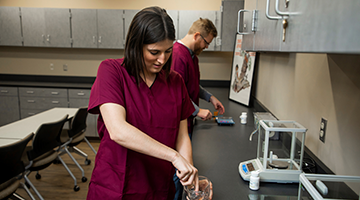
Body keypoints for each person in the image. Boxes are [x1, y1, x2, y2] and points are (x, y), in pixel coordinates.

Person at [87, 6, 199, 200]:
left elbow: (182, 137)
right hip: (116, 186)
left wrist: (189, 174)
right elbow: (118, 130)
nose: (162, 60)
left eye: (168, 51)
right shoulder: (112, 71)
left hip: (158, 186)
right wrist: (174, 157)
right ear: (136, 45)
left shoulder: (175, 82)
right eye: (154, 52)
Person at [171, 17, 225, 200]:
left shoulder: (192, 55)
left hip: (188, 122)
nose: (207, 46)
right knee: (180, 173)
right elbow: (176, 94)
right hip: (179, 125)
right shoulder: (178, 55)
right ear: (196, 36)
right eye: (207, 42)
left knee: (185, 168)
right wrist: (196, 110)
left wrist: (210, 97)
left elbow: (192, 86)